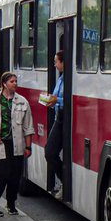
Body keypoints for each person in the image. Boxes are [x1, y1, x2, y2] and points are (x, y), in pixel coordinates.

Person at [0, 71, 33, 217]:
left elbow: (28, 126)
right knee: (3, 174)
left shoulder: (22, 101)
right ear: (4, 83)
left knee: (15, 176)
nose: (15, 84)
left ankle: (11, 204)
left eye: (16, 81)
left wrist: (28, 146)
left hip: (17, 143)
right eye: (11, 81)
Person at [44, 52, 65, 197]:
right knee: (50, 152)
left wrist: (57, 100)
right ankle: (65, 181)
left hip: (65, 118)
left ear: (63, 62)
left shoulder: (69, 78)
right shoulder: (61, 78)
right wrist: (51, 101)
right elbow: (56, 97)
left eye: (56, 61)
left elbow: (68, 98)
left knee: (50, 151)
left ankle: (65, 182)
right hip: (59, 117)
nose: (54, 65)